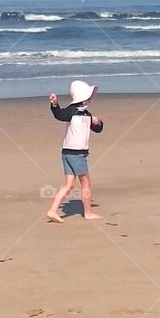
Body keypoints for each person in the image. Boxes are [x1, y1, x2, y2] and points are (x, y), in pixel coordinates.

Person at [45, 80, 104, 223]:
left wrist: (98, 122)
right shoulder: (72, 112)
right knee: (86, 182)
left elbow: (98, 129)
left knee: (69, 184)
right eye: (88, 97)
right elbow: (59, 114)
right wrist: (54, 104)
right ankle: (88, 213)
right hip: (76, 153)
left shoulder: (87, 115)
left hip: (68, 152)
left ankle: (53, 210)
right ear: (82, 98)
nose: (90, 99)